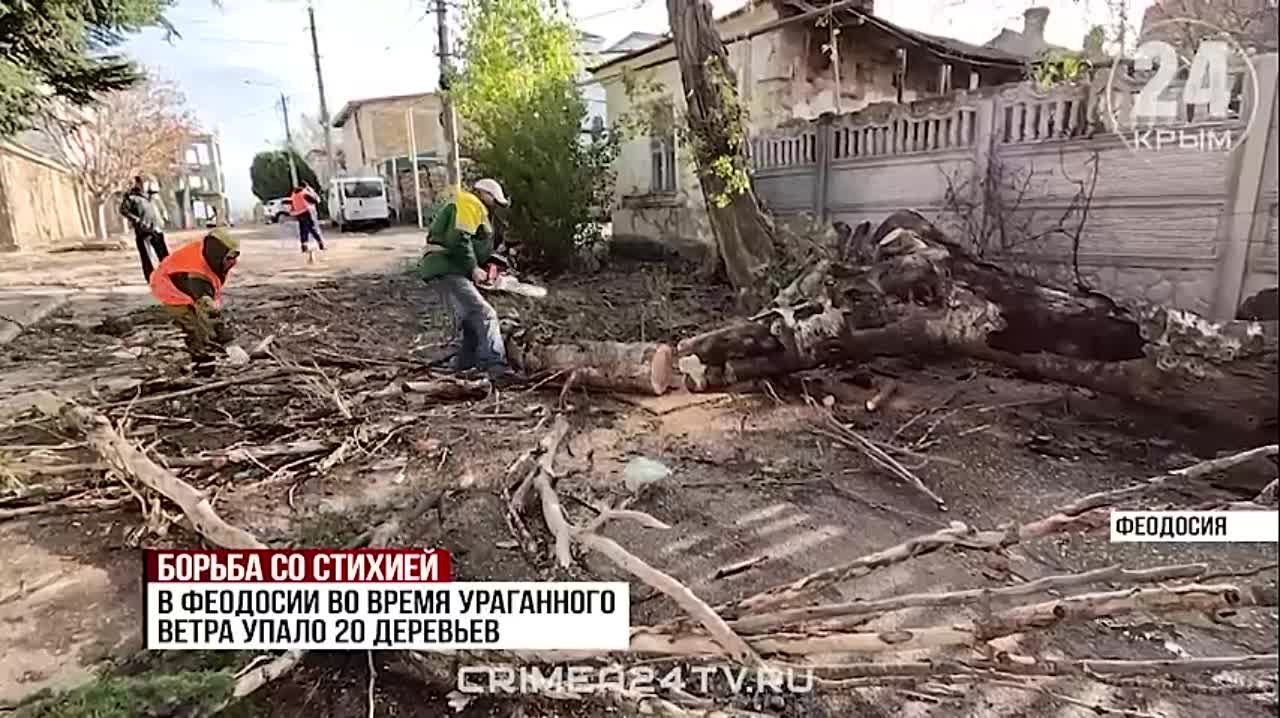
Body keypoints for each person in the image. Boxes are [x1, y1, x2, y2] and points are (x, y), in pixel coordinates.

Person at [415, 178, 512, 379]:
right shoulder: (470, 202)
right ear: (485, 194)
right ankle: (495, 365)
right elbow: (458, 239)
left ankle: (464, 364)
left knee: (470, 317)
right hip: (446, 267)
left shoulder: (473, 208)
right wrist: (474, 269)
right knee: (485, 314)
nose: (495, 206)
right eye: (494, 200)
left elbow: (472, 246)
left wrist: (487, 268)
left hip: (450, 268)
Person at [149, 228, 241, 376]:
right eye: (229, 258)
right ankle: (202, 369)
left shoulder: (209, 253)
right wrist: (229, 342)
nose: (233, 263)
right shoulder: (197, 277)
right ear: (218, 255)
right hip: (169, 287)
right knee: (194, 327)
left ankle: (207, 359)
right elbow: (210, 312)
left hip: (185, 282)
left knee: (205, 323)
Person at [120, 176, 170, 281]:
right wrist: (138, 221)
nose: (146, 185)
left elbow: (160, 207)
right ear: (138, 184)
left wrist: (163, 217)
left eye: (147, 183)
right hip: (143, 231)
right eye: (143, 183)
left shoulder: (152, 195)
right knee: (148, 257)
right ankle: (152, 279)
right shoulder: (131, 196)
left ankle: (170, 275)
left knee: (164, 255)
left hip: (157, 229)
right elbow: (123, 210)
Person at [289, 182, 325, 255]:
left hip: (298, 214)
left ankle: (304, 246)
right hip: (305, 213)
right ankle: (320, 244)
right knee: (312, 229)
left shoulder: (293, 194)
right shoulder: (304, 193)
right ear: (304, 187)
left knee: (302, 230)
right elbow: (315, 201)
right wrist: (312, 193)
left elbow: (292, 205)